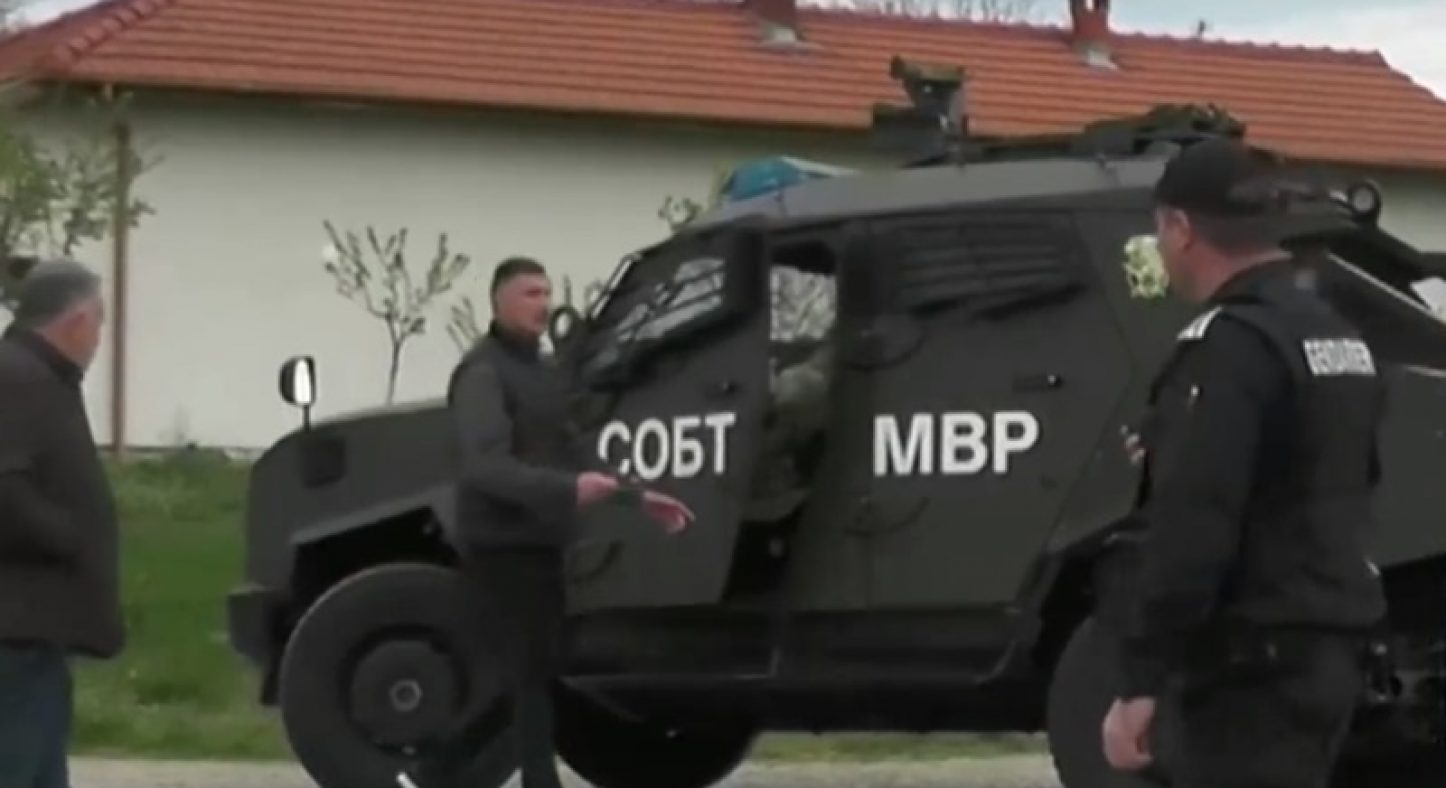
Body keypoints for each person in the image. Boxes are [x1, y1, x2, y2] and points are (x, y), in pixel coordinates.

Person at [1101, 138, 1389, 788]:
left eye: (1160, 230)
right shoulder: (1337, 335)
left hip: (1245, 671)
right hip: (1330, 647)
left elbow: (1195, 523)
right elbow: (1350, 475)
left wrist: (1142, 677)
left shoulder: (1229, 345)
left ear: (1180, 228)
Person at [400, 256, 695, 788]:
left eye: (546, 292)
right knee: (532, 676)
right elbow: (485, 466)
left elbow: (573, 448)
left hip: (540, 544)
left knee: (533, 673)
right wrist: (567, 490)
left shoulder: (541, 371)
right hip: (499, 547)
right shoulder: (483, 373)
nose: (544, 304)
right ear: (500, 302)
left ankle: (430, 773)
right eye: (531, 294)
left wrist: (636, 497)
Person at [0, 259, 124, 788]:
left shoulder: (40, 378)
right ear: (76, 321)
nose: (98, 338)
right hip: (15, 632)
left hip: (38, 633)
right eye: (99, 321)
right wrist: (68, 537)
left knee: (42, 770)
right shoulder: (15, 377)